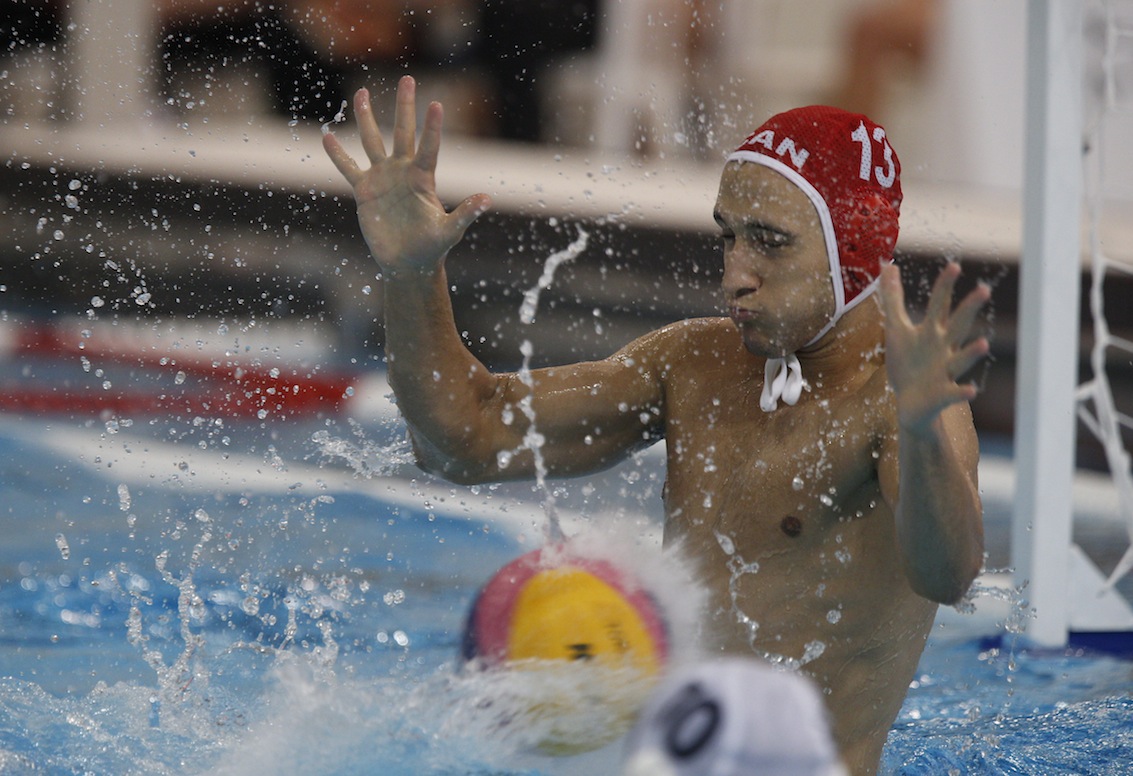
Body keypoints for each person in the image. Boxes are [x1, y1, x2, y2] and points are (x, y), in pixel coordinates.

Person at [321, 76, 988, 775]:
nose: (734, 275)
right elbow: (464, 440)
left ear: (851, 253)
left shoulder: (898, 400)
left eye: (769, 242)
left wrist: (920, 431)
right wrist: (411, 275)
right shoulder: (692, 363)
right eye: (727, 237)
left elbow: (947, 572)